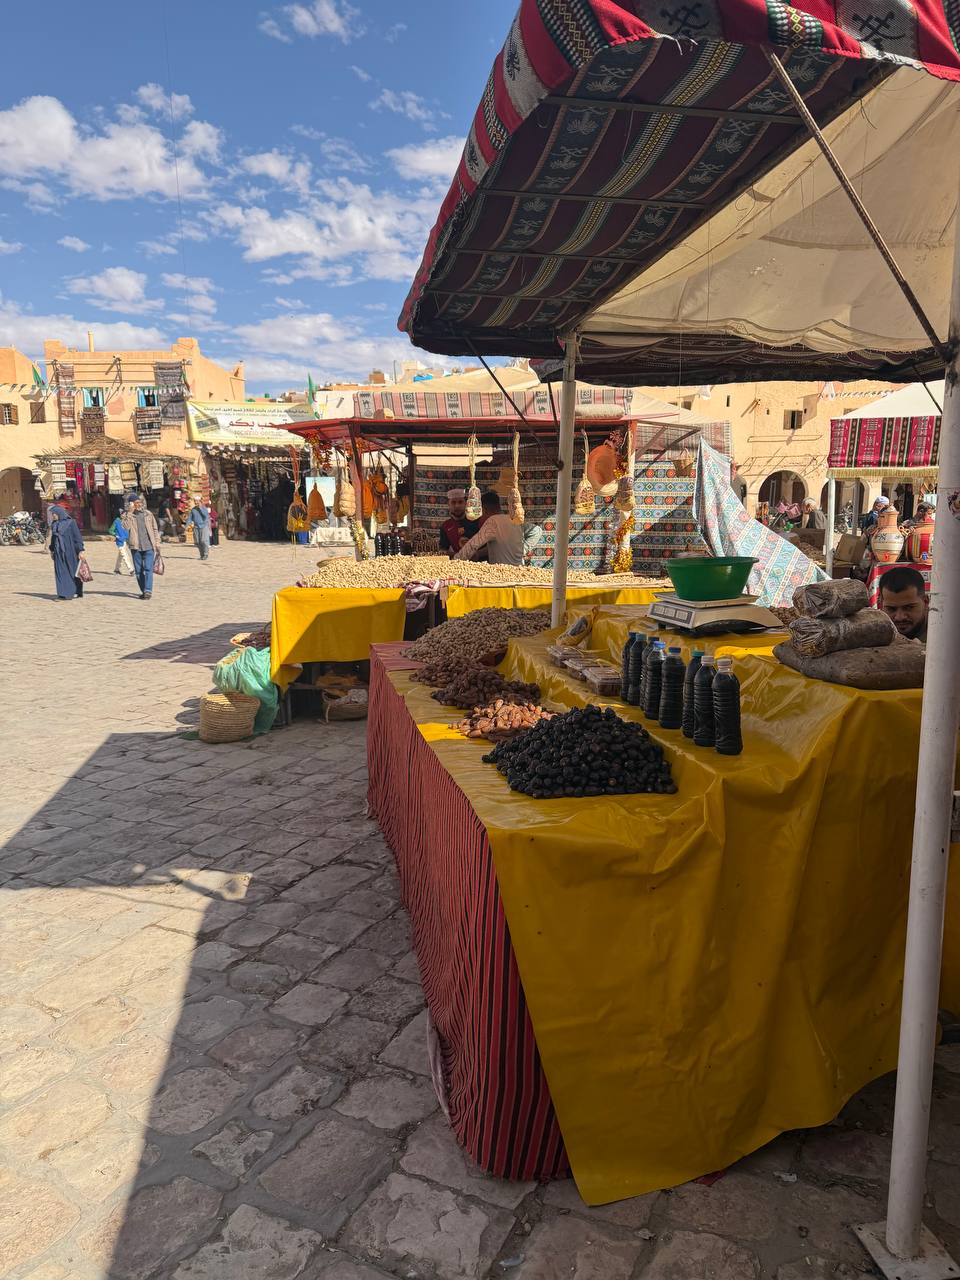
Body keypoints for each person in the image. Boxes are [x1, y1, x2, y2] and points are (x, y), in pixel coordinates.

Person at [454, 490, 543, 567]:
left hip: (503, 574)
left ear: (484, 509)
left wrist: (455, 561)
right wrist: (522, 550)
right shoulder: (513, 519)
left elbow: (473, 545)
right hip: (519, 571)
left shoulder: (493, 521)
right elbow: (537, 530)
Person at [123, 496, 161, 599]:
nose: (138, 504)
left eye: (139, 502)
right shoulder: (127, 515)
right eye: (136, 503)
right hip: (136, 547)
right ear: (131, 504)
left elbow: (154, 529)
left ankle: (148, 591)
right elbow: (125, 527)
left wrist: (157, 542)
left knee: (148, 569)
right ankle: (144, 590)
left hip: (149, 546)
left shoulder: (148, 514)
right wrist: (129, 513)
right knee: (139, 571)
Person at [879, 565, 929, 642]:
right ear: (881, 604)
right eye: (891, 609)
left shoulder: (946, 634)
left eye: (909, 607)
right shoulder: (874, 633)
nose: (900, 617)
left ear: (925, 602)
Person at [48, 507, 86, 601]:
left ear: (60, 513)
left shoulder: (71, 523)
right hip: (58, 552)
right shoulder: (54, 524)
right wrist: (52, 550)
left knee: (72, 571)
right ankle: (63, 594)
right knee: (60, 572)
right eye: (52, 514)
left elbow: (77, 537)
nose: (53, 516)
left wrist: (80, 550)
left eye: (54, 514)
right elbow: (54, 538)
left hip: (70, 551)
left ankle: (76, 590)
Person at [438, 489, 481, 555]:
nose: (457, 506)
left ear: (466, 503)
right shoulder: (445, 526)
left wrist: (478, 554)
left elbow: (487, 547)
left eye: (460, 502)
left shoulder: (477, 521)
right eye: (453, 502)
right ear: (448, 504)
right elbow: (443, 549)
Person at [109, 508, 135, 577]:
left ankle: (116, 569)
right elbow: (110, 530)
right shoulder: (116, 521)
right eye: (122, 514)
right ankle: (131, 570)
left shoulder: (126, 521)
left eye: (124, 513)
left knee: (121, 556)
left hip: (125, 540)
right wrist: (116, 535)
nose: (123, 515)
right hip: (119, 541)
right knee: (125, 555)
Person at [188, 495, 211, 561]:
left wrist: (200, 508)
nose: (196, 502)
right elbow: (190, 518)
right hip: (196, 527)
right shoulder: (193, 509)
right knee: (198, 542)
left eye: (197, 501)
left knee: (204, 541)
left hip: (204, 526)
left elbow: (205, 516)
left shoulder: (204, 508)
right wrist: (187, 525)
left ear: (200, 501)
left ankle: (206, 554)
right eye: (195, 501)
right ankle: (202, 555)